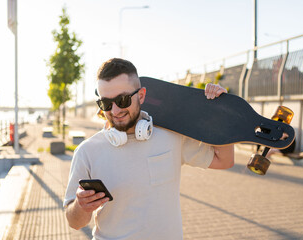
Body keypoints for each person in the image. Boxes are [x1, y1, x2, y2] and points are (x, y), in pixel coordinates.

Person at [64, 58, 234, 240]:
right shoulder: (86, 151)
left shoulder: (171, 136)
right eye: (105, 104)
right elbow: (74, 222)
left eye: (122, 100)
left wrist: (219, 112)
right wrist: (81, 206)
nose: (114, 111)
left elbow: (224, 160)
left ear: (142, 95)